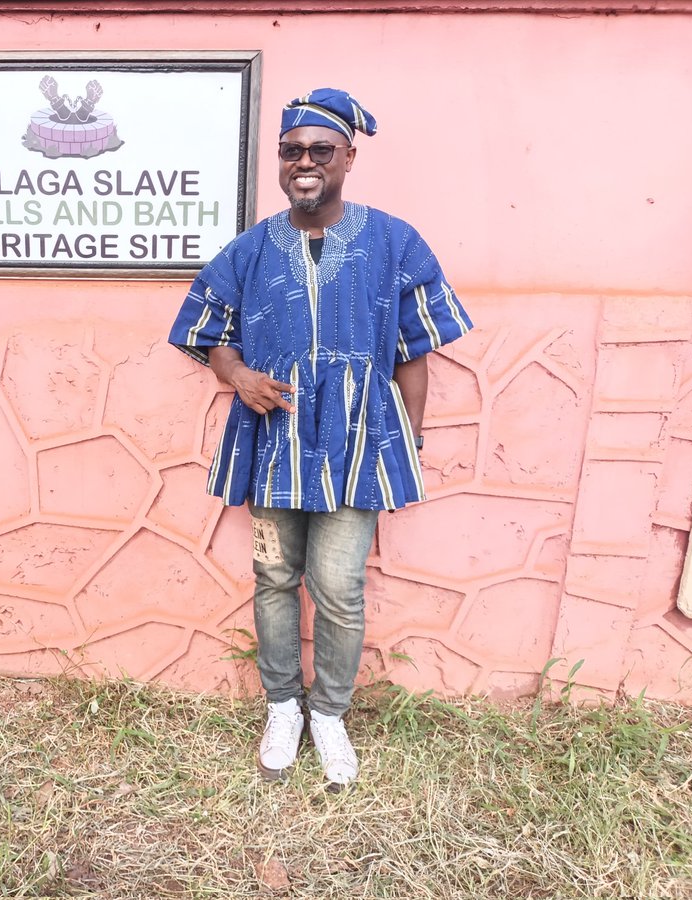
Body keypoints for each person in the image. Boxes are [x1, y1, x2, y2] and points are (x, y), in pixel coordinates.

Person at [168, 88, 472, 789]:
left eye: (320, 151)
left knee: (338, 587)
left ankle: (329, 712)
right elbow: (207, 335)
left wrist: (409, 438)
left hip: (357, 446)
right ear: (279, 160)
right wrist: (239, 374)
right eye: (292, 151)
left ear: (348, 158)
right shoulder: (249, 250)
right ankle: (283, 706)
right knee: (274, 576)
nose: (305, 162)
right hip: (273, 443)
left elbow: (414, 349)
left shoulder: (394, 241)